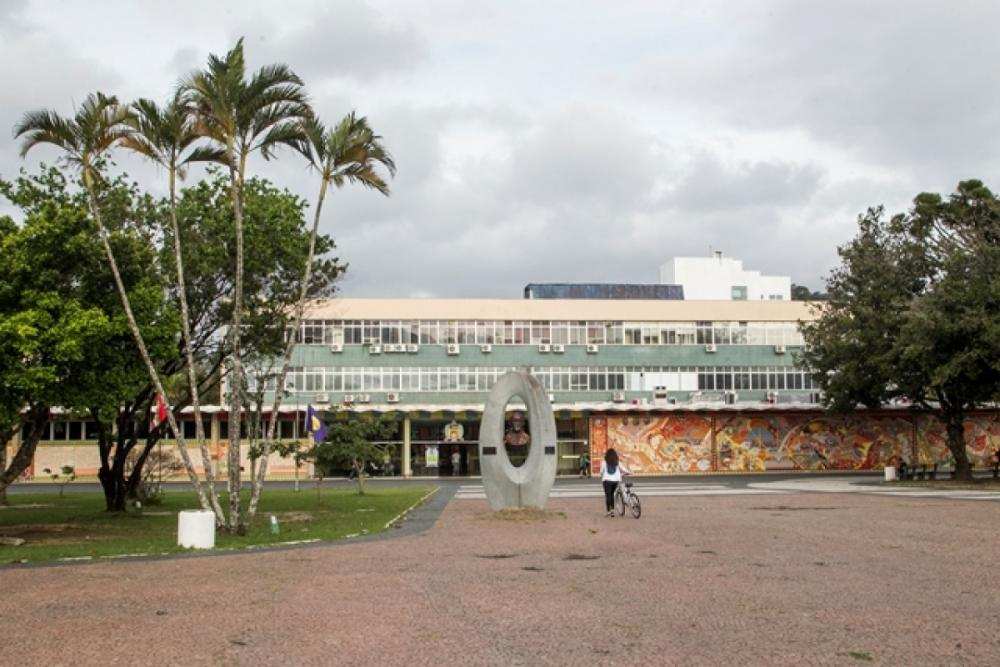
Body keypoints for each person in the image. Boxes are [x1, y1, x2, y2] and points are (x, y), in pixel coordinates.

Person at [599, 448, 629, 517]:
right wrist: (628, 472)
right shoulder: (617, 462)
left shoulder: (604, 462)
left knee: (608, 496)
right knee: (612, 495)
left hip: (606, 481)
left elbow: (601, 472)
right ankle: (612, 510)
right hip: (615, 481)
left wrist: (602, 474)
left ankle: (608, 511)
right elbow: (624, 469)